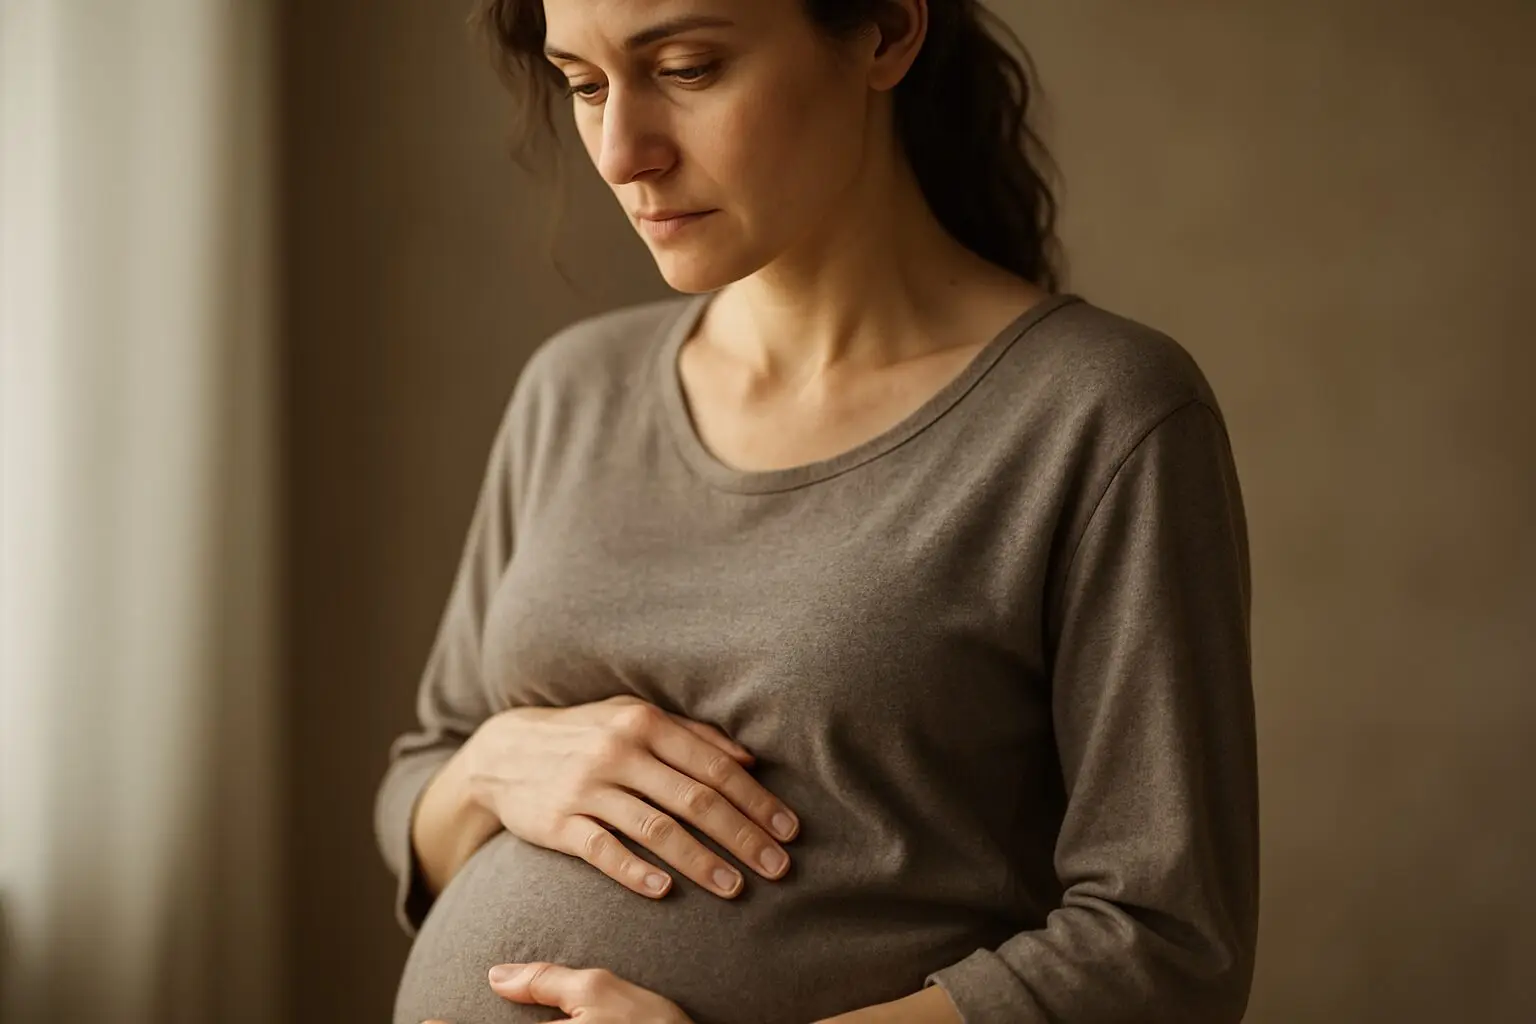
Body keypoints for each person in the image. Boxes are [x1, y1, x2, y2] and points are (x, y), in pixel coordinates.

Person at [376, 0, 1260, 1022]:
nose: (623, 151)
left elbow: (1167, 946)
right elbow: (426, 779)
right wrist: (490, 770)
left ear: (885, 30)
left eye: (690, 67)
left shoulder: (1099, 414)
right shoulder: (572, 391)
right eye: (583, 84)